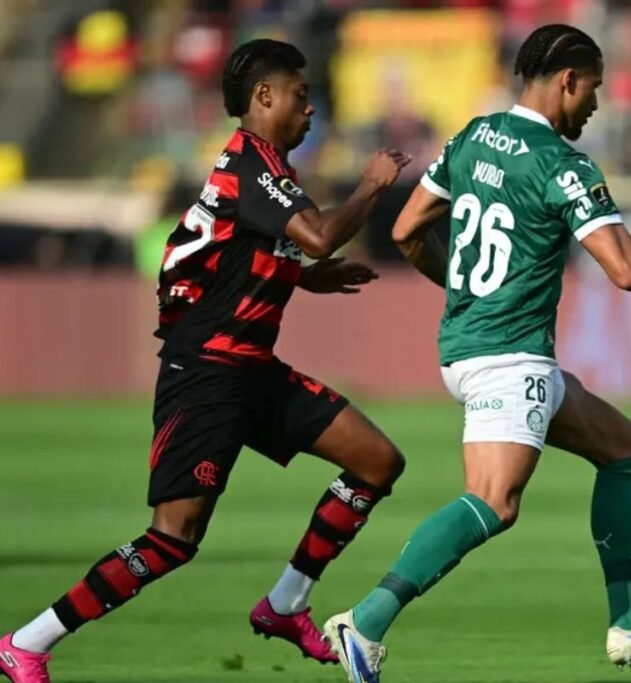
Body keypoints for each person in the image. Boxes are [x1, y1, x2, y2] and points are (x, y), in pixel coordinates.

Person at [320, 24, 631, 683]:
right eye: (593, 88)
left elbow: (405, 229)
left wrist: (466, 289)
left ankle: (630, 623)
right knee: (493, 501)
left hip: (470, 344)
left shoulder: (473, 136)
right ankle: (364, 622)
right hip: (510, 357)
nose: (595, 104)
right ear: (568, 78)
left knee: (624, 448)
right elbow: (624, 268)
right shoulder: (564, 166)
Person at [1, 39, 412, 683]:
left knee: (377, 461)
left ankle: (285, 605)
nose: (311, 112)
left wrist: (305, 279)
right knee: (172, 540)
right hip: (209, 372)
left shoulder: (262, 169)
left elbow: (218, 257)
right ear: (264, 96)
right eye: (301, 98)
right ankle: (27, 642)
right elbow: (320, 232)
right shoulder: (253, 164)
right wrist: (371, 186)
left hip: (249, 367)